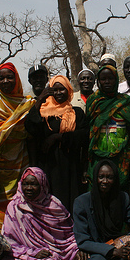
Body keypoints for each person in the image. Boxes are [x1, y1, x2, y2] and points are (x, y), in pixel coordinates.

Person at [0, 167, 81, 260]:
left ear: (43, 184)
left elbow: (68, 236)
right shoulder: (14, 206)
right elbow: (7, 242)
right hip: (23, 256)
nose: (29, 188)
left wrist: (74, 249)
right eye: (26, 184)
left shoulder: (53, 205)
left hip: (51, 256)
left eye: (34, 184)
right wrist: (33, 252)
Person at [0, 62, 34, 228]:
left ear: (16, 79)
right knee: (0, 208)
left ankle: (22, 242)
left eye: (9, 77)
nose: (5, 81)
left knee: (23, 204)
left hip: (21, 162)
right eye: (1, 78)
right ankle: (2, 243)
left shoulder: (26, 103)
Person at [25, 75, 88, 211]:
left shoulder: (76, 113)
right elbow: (30, 128)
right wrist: (40, 100)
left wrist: (58, 137)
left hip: (70, 167)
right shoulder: (42, 113)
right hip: (48, 167)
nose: (59, 93)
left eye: (62, 89)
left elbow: (83, 136)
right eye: (55, 90)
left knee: (70, 204)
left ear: (69, 90)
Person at [87, 65, 130, 192]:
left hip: (121, 155)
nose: (107, 82)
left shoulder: (126, 101)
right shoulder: (93, 101)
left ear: (116, 80)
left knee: (120, 189)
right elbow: (89, 128)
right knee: (97, 189)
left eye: (110, 78)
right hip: (97, 154)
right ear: (98, 81)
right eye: (103, 79)